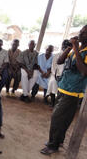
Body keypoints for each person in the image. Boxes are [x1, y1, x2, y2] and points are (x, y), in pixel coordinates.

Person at [40, 25, 87, 155]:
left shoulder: (84, 50)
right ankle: (58, 140)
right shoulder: (74, 49)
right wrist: (69, 48)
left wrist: (76, 48)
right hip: (63, 87)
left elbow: (83, 71)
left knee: (57, 117)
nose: (81, 34)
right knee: (63, 118)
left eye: (85, 33)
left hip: (73, 91)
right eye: (81, 32)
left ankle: (52, 145)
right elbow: (60, 61)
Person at [46, 40, 69, 107]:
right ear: (62, 46)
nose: (65, 47)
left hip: (66, 76)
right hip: (56, 75)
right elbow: (54, 67)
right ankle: (53, 102)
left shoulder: (71, 55)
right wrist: (57, 76)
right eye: (64, 46)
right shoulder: (57, 55)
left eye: (67, 46)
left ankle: (61, 103)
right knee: (53, 82)